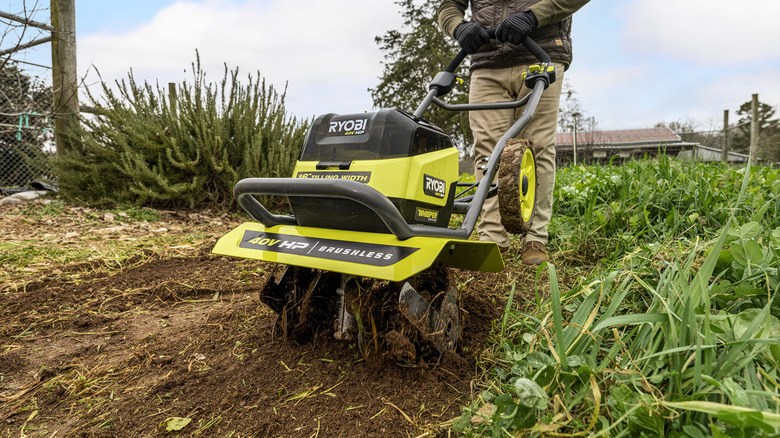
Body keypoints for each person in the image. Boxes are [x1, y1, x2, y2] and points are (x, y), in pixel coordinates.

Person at [438, 0, 589, 265]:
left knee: (537, 147)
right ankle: (492, 238)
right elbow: (449, 5)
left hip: (540, 52)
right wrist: (459, 28)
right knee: (487, 151)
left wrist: (532, 16)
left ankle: (535, 238)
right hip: (486, 60)